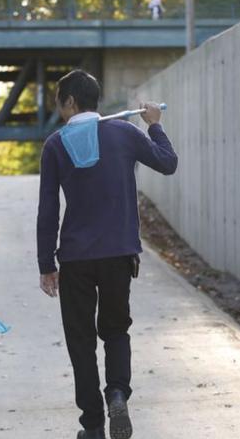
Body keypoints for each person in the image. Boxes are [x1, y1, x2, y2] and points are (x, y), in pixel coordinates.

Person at [36, 70, 178, 439]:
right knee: (116, 332)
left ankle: (93, 427)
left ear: (70, 102)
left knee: (81, 342)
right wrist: (155, 125)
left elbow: (48, 209)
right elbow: (167, 162)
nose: (60, 111)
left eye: (60, 103)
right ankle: (117, 393)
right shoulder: (125, 132)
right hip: (119, 254)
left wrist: (45, 264)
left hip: (75, 260)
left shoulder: (55, 144)